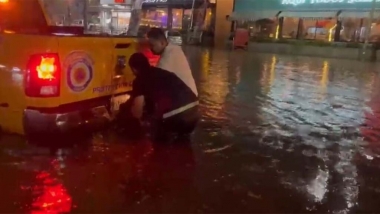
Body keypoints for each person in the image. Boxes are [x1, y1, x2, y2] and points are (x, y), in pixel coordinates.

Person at [117, 53, 199, 142]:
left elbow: (137, 111)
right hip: (194, 112)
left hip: (176, 115)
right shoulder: (160, 72)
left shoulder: (140, 80)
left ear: (134, 69)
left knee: (158, 141)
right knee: (183, 145)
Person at [146, 27, 198, 97]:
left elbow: (156, 80)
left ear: (162, 43)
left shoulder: (168, 56)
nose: (150, 48)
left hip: (186, 99)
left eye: (152, 45)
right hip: (191, 96)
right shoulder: (174, 49)